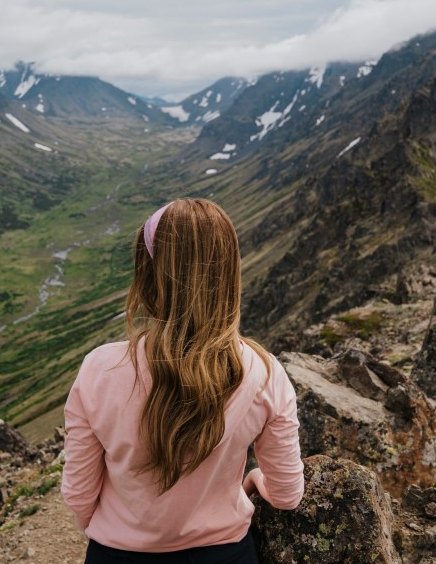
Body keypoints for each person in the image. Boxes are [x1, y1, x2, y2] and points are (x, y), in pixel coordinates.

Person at [61, 198, 304, 563]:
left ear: (147, 276)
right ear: (228, 274)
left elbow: (79, 496)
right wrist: (255, 480)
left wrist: (117, 538)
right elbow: (287, 495)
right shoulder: (265, 373)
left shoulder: (99, 368)